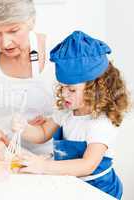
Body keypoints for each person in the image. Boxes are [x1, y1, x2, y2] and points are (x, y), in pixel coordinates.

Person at [12, 31, 130, 199]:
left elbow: (87, 165)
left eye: (72, 90)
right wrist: (23, 127)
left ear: (95, 89)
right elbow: (42, 134)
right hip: (71, 185)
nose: (65, 94)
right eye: (62, 87)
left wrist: (43, 166)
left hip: (98, 190)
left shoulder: (100, 123)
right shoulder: (66, 112)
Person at [0, 0, 55, 161]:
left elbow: (77, 108)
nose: (5, 42)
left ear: (31, 22)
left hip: (44, 158)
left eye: (13, 31)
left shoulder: (56, 52)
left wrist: (52, 121)